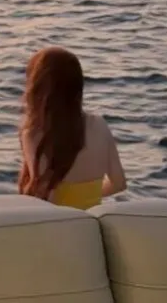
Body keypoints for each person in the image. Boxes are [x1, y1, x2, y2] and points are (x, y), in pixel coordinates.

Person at [18, 46, 127, 210]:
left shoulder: (34, 134)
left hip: (58, 222)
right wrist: (86, 196)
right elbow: (119, 183)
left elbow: (42, 194)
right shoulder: (99, 124)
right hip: (89, 221)